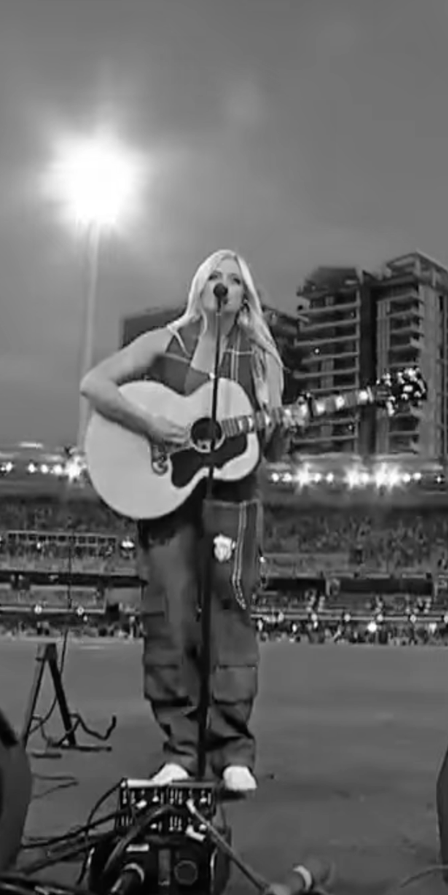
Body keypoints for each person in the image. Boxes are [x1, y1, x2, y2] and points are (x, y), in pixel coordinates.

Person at [80, 250, 286, 795]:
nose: (222, 287)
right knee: (170, 620)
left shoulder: (263, 357)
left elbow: (272, 445)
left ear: (246, 296)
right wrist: (153, 425)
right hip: (167, 499)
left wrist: (279, 425)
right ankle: (180, 751)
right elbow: (95, 385)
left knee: (231, 618)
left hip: (235, 501)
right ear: (198, 288)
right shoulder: (164, 343)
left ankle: (231, 751)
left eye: (234, 280)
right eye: (213, 278)